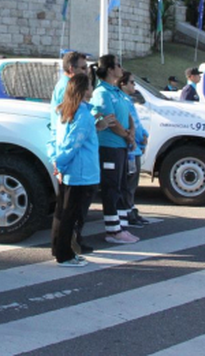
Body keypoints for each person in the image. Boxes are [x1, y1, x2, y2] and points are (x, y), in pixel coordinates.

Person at [50, 73, 100, 267]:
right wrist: (60, 164)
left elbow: (57, 140)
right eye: (89, 85)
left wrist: (57, 163)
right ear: (83, 90)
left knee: (62, 213)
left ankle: (60, 249)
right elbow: (73, 144)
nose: (92, 88)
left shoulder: (64, 111)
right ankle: (65, 255)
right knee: (71, 215)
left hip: (69, 170)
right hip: (80, 172)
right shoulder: (84, 116)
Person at [90, 54, 138, 244]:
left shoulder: (117, 92)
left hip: (122, 146)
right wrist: (127, 135)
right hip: (109, 147)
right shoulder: (102, 93)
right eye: (118, 65)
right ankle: (113, 230)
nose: (121, 68)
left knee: (120, 187)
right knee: (111, 188)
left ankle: (122, 226)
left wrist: (131, 133)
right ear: (110, 69)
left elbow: (128, 116)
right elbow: (110, 120)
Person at [118, 72, 150, 227]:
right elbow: (128, 125)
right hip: (129, 148)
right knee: (127, 184)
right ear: (122, 84)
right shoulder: (121, 100)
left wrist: (144, 135)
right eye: (131, 82)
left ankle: (131, 209)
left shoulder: (128, 100)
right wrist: (135, 139)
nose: (134, 86)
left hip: (135, 148)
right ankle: (127, 212)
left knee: (132, 184)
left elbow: (137, 123)